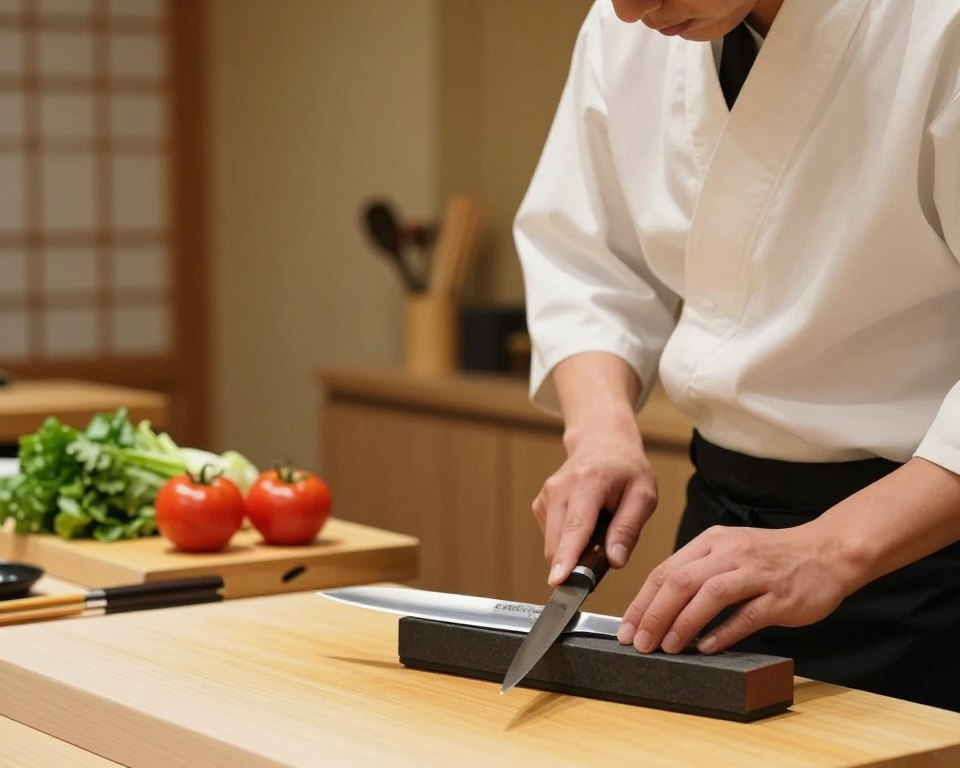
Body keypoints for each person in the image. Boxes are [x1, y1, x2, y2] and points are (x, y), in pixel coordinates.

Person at [513, 0, 960, 711]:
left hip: (926, 556)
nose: (630, 10)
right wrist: (601, 434)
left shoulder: (935, 23)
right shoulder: (625, 27)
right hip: (722, 537)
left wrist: (833, 547)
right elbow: (590, 262)